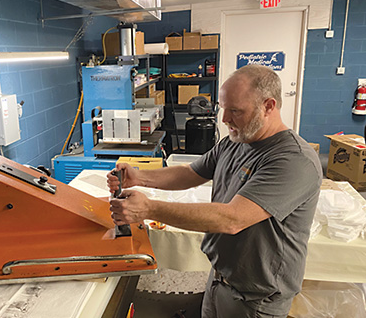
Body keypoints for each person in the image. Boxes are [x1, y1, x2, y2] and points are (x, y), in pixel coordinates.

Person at [107, 64, 322, 318]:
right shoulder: (235, 140)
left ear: (269, 106)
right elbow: (191, 173)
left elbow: (231, 219)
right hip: (219, 279)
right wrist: (139, 177)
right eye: (223, 108)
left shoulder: (293, 160)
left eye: (235, 111)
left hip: (257, 299)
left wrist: (148, 208)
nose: (224, 119)